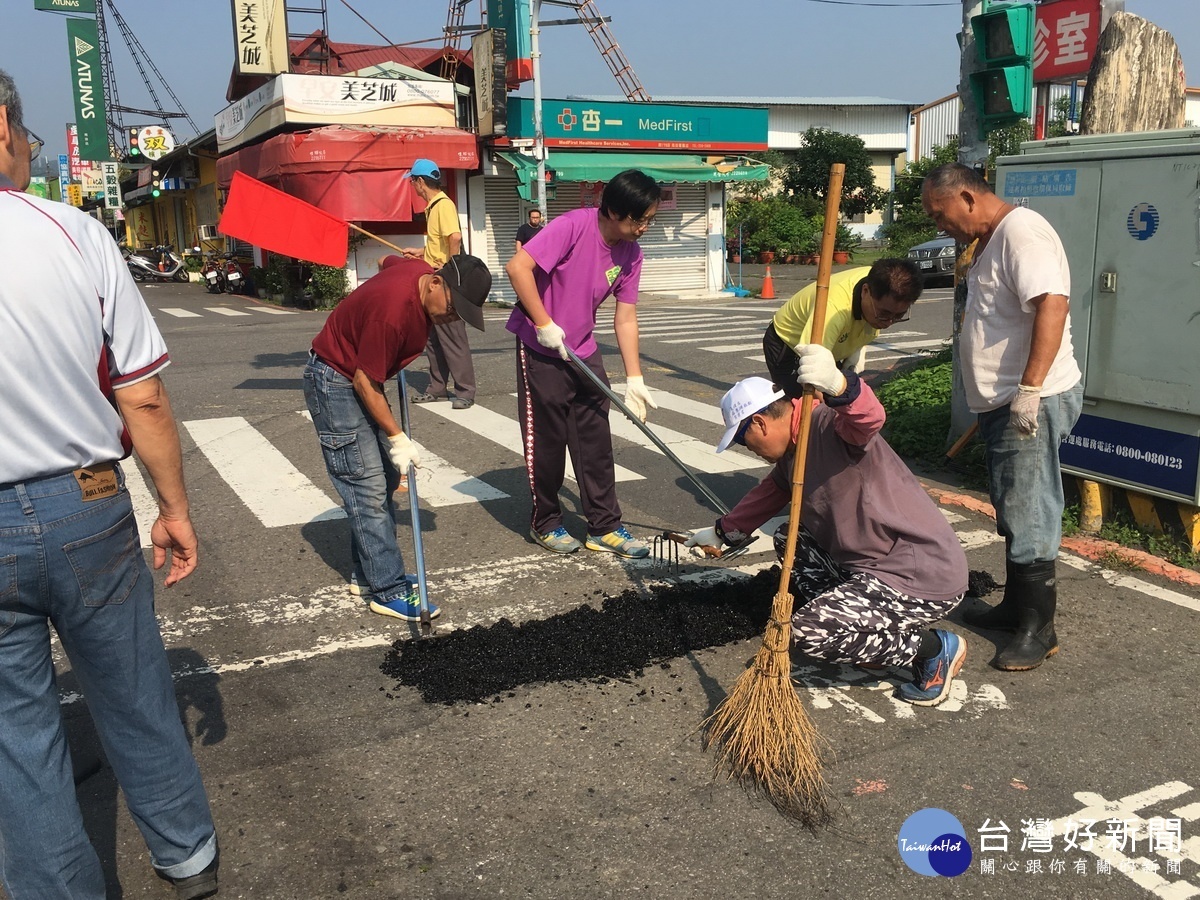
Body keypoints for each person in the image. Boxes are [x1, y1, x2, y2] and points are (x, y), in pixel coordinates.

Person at [0, 70, 219, 898]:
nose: (30, 147)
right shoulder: (70, 231)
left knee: (17, 736)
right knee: (131, 689)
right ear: (1, 125)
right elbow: (144, 393)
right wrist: (175, 509)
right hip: (84, 502)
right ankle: (187, 854)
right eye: (24, 133)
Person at [685, 355, 970, 706]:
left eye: (743, 442)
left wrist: (840, 385)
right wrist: (722, 532)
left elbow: (869, 419)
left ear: (759, 423)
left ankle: (933, 650)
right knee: (791, 537)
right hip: (870, 566)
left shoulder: (826, 425)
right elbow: (769, 494)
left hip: (918, 573)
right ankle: (861, 625)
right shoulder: (793, 453)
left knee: (809, 632)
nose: (751, 452)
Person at [922, 162, 1082, 672]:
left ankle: (1040, 628)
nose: (938, 225)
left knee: (1030, 506)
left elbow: (1052, 306)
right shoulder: (993, 240)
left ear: (967, 197)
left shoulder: (1023, 231)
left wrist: (1030, 390)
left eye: (940, 213)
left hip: (1031, 398)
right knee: (1013, 503)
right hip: (1004, 401)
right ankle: (1017, 607)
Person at [305, 252, 492, 619]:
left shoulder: (418, 272)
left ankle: (369, 571)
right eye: (453, 308)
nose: (452, 318)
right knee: (367, 485)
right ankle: (386, 588)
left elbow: (386, 262)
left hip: (356, 377)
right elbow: (364, 381)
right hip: (336, 382)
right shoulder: (391, 314)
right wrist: (398, 437)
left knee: (386, 477)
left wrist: (402, 259)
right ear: (436, 283)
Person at [504, 169, 660, 560]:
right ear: (612, 210)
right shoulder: (573, 225)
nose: (644, 228)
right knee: (548, 440)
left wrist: (635, 378)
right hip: (542, 346)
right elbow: (518, 268)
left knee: (595, 440)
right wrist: (543, 324)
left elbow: (624, 317)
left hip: (583, 349)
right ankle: (547, 521)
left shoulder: (631, 254)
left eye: (649, 220)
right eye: (638, 219)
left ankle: (604, 525)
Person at [763, 258, 923, 397]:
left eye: (898, 316)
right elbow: (812, 369)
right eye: (884, 313)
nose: (889, 322)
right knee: (802, 408)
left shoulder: (886, 280)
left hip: (837, 345)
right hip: (789, 343)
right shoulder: (832, 308)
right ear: (866, 291)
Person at [401, 159, 478, 410]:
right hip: (434, 280)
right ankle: (437, 387)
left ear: (420, 182)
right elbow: (439, 244)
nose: (412, 186)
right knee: (433, 339)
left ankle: (465, 391)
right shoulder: (432, 207)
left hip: (444, 281)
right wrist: (421, 252)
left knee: (453, 337)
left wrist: (450, 271)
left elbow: (454, 237)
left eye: (412, 181)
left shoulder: (443, 205)